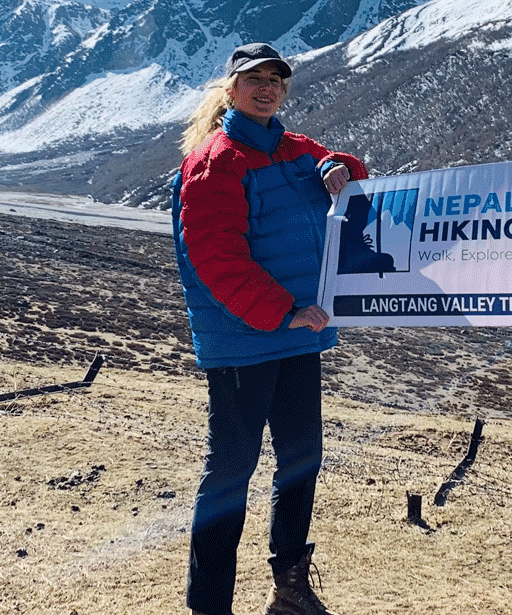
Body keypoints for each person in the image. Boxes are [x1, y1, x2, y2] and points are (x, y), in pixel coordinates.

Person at [171, 41, 368, 615]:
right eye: (253, 79)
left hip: (297, 335)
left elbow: (347, 169)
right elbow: (216, 259)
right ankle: (209, 605)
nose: (266, 88)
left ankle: (290, 587)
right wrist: (282, 312)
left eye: (276, 80)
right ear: (231, 89)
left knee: (302, 456)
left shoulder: (293, 149)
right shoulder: (215, 161)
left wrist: (338, 167)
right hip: (243, 340)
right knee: (232, 471)